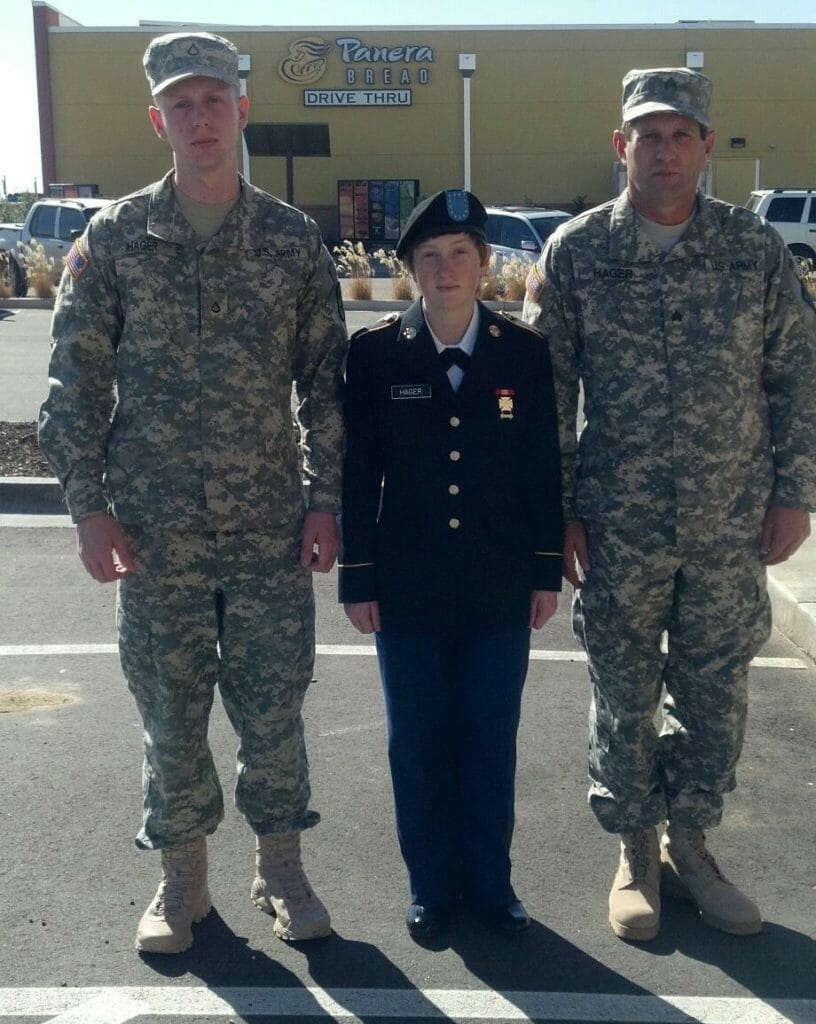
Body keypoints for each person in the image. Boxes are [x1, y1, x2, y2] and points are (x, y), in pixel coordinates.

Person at [38, 31, 347, 955]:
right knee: (170, 708)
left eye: (214, 99)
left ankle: (281, 865)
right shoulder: (117, 237)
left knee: (272, 704)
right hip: (154, 531)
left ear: (241, 110)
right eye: (182, 103)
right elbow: (75, 383)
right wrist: (89, 509)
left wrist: (325, 498)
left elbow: (325, 383)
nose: (200, 117)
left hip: (265, 527)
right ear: (158, 119)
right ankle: (182, 881)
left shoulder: (291, 240)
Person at [523, 67, 816, 942]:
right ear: (622, 147)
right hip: (619, 521)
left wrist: (795, 493)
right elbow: (548, 395)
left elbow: (794, 375)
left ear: (705, 147)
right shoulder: (575, 251)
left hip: (731, 519)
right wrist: (560, 511)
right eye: (647, 135)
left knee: (715, 691)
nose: (663, 150)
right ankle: (635, 852)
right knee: (623, 690)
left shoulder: (752, 250)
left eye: (680, 134)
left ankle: (694, 844)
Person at [339, 189, 563, 939]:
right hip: (408, 589)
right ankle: (432, 886)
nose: (445, 270)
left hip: (499, 587)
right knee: (418, 744)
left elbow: (541, 469)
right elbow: (358, 474)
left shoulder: (523, 354)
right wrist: (359, 576)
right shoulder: (373, 355)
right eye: (429, 257)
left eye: (459, 255)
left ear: (483, 264)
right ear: (410, 269)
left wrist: (543, 571)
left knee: (489, 740)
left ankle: (492, 887)